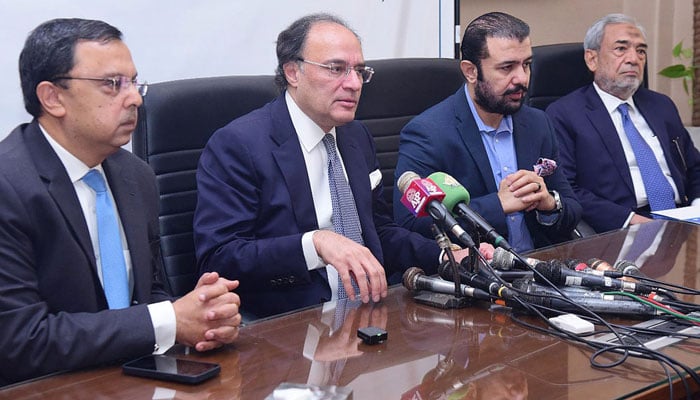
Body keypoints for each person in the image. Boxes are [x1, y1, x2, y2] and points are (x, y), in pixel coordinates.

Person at [193, 13, 484, 319]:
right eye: (336, 69)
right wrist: (314, 244)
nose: (354, 83)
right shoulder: (239, 145)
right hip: (290, 326)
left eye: (360, 71)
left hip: (370, 316)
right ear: (293, 72)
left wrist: (446, 257)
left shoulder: (356, 135)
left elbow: (379, 230)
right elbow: (219, 258)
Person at [0, 18, 241, 385]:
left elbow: (149, 292)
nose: (135, 98)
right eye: (113, 84)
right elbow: (20, 340)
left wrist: (202, 319)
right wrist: (169, 320)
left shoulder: (135, 175)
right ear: (52, 97)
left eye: (133, 82)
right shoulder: (9, 185)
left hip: (136, 378)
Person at [393, 12, 581, 253]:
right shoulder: (428, 133)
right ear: (471, 71)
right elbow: (408, 223)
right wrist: (498, 205)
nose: (522, 79)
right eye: (507, 68)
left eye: (526, 65)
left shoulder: (537, 124)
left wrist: (548, 203)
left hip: (539, 268)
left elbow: (573, 208)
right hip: (478, 276)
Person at [546, 13, 700, 233]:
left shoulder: (661, 105)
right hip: (622, 227)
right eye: (621, 49)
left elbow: (694, 167)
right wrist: (634, 221)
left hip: (682, 221)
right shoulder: (564, 114)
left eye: (641, 51)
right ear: (592, 59)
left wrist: (697, 207)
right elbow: (568, 189)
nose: (633, 59)